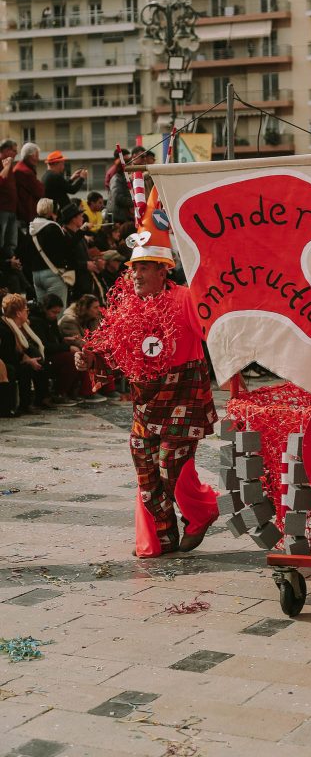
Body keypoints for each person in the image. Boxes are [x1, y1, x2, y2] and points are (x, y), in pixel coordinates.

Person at [75, 189, 219, 558]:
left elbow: (218, 331)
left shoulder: (187, 298)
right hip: (146, 401)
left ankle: (202, 511)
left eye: (142, 267)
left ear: (162, 270)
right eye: (133, 268)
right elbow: (106, 351)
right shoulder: (126, 308)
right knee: (145, 469)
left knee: (171, 463)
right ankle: (163, 538)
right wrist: (89, 360)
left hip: (183, 390)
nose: (135, 274)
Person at [0, 293, 51, 414]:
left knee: (39, 360)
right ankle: (23, 405)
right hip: (6, 361)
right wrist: (26, 359)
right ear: (18, 313)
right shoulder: (5, 328)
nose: (28, 312)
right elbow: (7, 353)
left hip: (13, 358)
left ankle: (42, 398)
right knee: (25, 368)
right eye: (26, 310)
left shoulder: (22, 326)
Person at [29, 294, 79, 405]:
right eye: (53, 312)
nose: (55, 315)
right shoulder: (36, 321)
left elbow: (55, 337)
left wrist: (64, 340)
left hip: (53, 352)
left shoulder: (51, 319)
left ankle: (72, 391)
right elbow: (44, 345)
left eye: (57, 312)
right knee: (72, 358)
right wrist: (67, 347)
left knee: (79, 356)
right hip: (44, 355)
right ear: (45, 309)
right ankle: (59, 393)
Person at [59, 293, 108, 405]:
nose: (98, 310)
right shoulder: (69, 320)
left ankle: (107, 389)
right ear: (86, 308)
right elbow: (78, 341)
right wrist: (97, 346)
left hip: (83, 347)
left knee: (104, 352)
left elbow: (98, 337)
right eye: (95, 307)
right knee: (89, 354)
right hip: (70, 349)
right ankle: (87, 391)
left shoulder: (92, 318)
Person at [29, 198, 74, 306]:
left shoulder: (32, 227)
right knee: (57, 312)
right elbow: (66, 248)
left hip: (36, 274)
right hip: (53, 274)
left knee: (44, 311)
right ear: (50, 211)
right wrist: (81, 232)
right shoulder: (53, 227)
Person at [61, 202, 96, 300]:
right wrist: (85, 265)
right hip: (75, 284)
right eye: (80, 216)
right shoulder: (65, 235)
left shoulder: (79, 235)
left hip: (85, 281)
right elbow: (67, 259)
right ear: (73, 218)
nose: (83, 218)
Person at [14, 142, 44, 228]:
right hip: (26, 213)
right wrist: (40, 184)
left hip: (24, 212)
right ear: (32, 156)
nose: (38, 159)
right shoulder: (25, 171)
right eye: (37, 156)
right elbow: (39, 191)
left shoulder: (20, 168)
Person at [0, 138, 18, 261]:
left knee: (11, 242)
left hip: (11, 209)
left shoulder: (9, 165)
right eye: (14, 151)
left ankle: (10, 263)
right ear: (6, 150)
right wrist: (6, 167)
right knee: (2, 241)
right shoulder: (6, 165)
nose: (16, 154)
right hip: (2, 209)